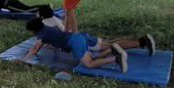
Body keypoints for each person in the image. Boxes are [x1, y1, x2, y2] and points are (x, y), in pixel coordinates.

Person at [18, 17, 156, 74]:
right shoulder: (48, 28)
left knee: (89, 64)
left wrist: (24, 59)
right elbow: (56, 39)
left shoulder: (42, 34)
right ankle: (115, 51)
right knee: (97, 54)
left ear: (34, 30)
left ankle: (116, 58)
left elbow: (35, 48)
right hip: (77, 38)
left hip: (76, 41)